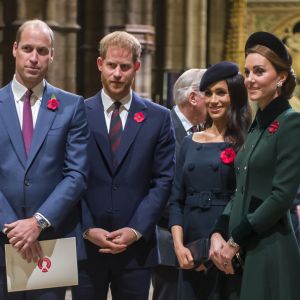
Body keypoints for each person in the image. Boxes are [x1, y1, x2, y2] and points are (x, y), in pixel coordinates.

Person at [72, 31, 175, 300]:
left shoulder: (158, 118)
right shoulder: (77, 113)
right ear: (99, 64)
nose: (117, 73)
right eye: (111, 65)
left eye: (125, 67)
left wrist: (135, 230)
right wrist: (86, 227)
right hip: (87, 246)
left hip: (136, 250)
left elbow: (163, 180)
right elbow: (69, 177)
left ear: (136, 68)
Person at [0, 19, 89, 299]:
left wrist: (37, 222)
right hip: (3, 237)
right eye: (27, 48)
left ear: (52, 54)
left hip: (50, 240)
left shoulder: (71, 106)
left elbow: (76, 174)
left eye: (42, 50)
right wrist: (15, 228)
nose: (34, 58)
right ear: (14, 49)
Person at [210, 31, 300, 300]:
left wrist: (236, 238)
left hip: (269, 247)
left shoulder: (291, 123)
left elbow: (281, 196)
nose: (249, 79)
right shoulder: (257, 125)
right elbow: (241, 189)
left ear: (281, 78)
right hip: (243, 247)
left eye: (259, 72)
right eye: (247, 72)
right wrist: (219, 230)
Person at [169, 61, 252, 300]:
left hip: (228, 246)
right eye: (208, 93)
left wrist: (228, 247)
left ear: (234, 96)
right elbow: (176, 198)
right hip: (190, 247)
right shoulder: (189, 141)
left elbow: (245, 198)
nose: (213, 100)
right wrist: (179, 246)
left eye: (221, 93)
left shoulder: (247, 141)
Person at [152, 68, 207, 300]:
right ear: (193, 98)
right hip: (167, 238)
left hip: (201, 241)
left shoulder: (206, 132)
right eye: (210, 93)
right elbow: (156, 188)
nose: (216, 100)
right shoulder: (160, 126)